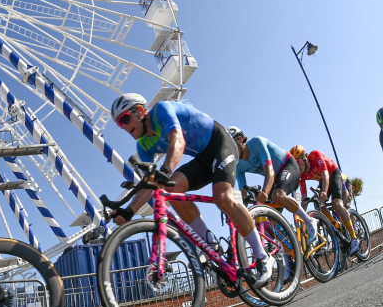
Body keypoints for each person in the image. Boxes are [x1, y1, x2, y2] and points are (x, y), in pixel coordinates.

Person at [110, 95, 273, 287]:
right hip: (202, 158)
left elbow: (178, 142)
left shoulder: (161, 111)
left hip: (220, 144)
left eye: (125, 119)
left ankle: (263, 256)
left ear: (140, 111)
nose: (124, 127)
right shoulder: (143, 145)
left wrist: (165, 171)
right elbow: (150, 183)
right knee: (172, 189)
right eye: (120, 124)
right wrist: (129, 211)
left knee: (222, 197)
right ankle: (209, 242)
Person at [227, 126, 321, 274]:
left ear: (240, 140)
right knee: (272, 221)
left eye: (231, 145)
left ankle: (310, 221)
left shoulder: (256, 142)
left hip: (288, 165)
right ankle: (290, 265)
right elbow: (243, 193)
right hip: (276, 178)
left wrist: (264, 192)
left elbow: (269, 171)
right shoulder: (238, 166)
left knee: (278, 195)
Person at [291, 144, 359, 254]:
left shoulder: (315, 155)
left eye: (297, 163)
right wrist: (301, 211)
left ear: (304, 157)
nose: (297, 168)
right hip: (323, 181)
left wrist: (324, 192)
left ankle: (354, 237)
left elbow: (325, 174)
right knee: (318, 205)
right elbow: (304, 197)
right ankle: (335, 224)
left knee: (336, 203)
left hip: (333, 173)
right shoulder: (301, 175)